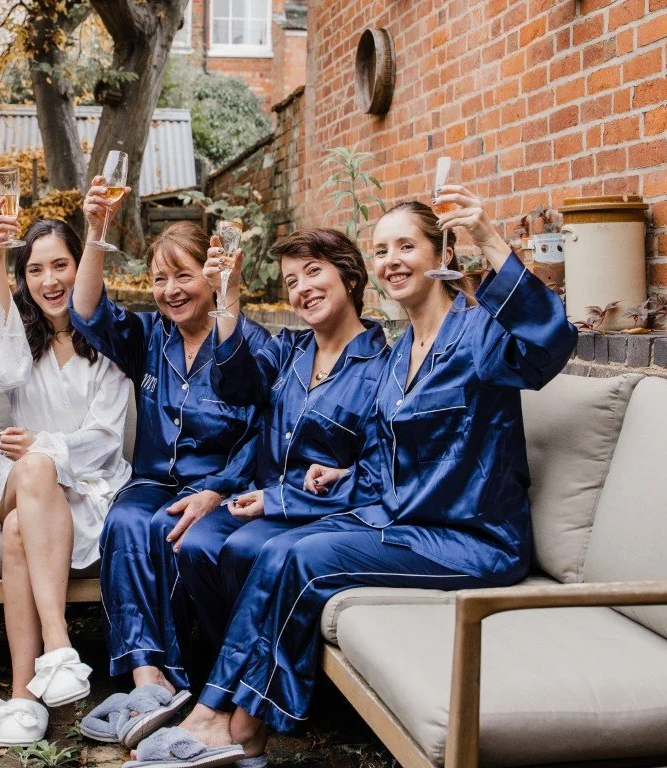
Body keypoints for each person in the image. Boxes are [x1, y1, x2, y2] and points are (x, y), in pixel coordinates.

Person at [128, 185, 578, 768]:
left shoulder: (478, 335)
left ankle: (220, 720)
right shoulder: (400, 355)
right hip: (400, 522)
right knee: (280, 549)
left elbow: (551, 344)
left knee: (298, 556)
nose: (392, 260)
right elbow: (380, 467)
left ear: (442, 250)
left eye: (406, 246)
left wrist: (489, 239)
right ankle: (240, 729)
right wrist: (325, 482)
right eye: (382, 249)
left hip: (469, 538)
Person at [71, 180, 270, 750]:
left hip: (220, 488)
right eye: (159, 279)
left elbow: (262, 437)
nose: (170, 290)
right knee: (126, 519)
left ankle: (181, 678)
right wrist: (96, 229)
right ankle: (148, 680)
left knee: (170, 527)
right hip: (154, 480)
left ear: (212, 275)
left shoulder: (250, 344)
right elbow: (85, 310)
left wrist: (218, 491)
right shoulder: (149, 336)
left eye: (183, 275)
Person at [176, 228, 390, 652]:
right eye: (292, 281)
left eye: (313, 272)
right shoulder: (288, 348)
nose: (302, 288)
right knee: (196, 545)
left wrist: (282, 498)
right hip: (260, 502)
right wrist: (228, 294)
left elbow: (375, 469)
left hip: (323, 513)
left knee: (243, 549)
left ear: (350, 278)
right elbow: (235, 386)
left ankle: (254, 671)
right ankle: (234, 661)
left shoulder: (383, 365)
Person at [0, 210, 132, 747]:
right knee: (35, 470)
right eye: (35, 269)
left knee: (21, 524)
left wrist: (41, 445)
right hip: (18, 480)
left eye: (61, 265)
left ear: (80, 265)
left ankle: (23, 693)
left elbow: (105, 441)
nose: (49, 281)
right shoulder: (20, 341)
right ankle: (59, 646)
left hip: (88, 492)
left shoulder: (108, 345)